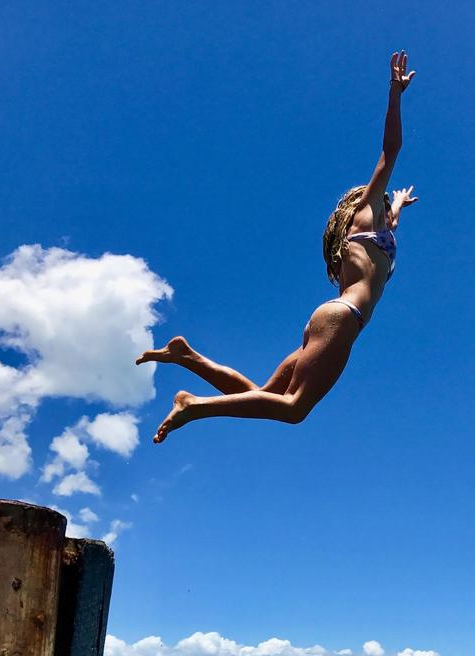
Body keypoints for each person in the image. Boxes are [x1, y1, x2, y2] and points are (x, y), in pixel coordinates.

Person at [136, 51, 417, 443]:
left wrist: (399, 204)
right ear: (365, 201)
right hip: (344, 317)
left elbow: (391, 226)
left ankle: (189, 357)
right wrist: (395, 95)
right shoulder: (370, 214)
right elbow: (390, 150)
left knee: (260, 396)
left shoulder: (376, 233)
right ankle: (192, 405)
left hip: (329, 317)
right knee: (294, 409)